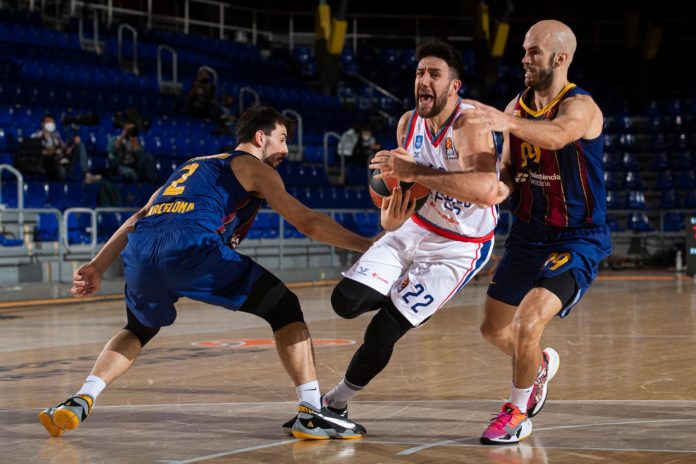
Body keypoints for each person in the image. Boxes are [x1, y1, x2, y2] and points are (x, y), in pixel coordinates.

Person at [39, 105, 374, 440]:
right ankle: (313, 412)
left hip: (142, 250)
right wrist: (367, 245)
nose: (286, 149)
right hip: (192, 246)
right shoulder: (253, 168)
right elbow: (308, 222)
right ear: (261, 137)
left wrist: (97, 265)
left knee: (138, 328)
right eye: (282, 138)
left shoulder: (192, 164)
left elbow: (139, 215)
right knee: (284, 308)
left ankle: (81, 398)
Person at [281, 40, 500, 433]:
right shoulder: (407, 123)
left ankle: (336, 403)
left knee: (383, 330)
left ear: (454, 87)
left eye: (435, 74)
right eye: (420, 73)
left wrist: (417, 173)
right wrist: (390, 215)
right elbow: (401, 185)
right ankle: (398, 289)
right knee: (345, 301)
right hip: (415, 228)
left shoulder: (470, 127)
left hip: (459, 247)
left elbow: (486, 190)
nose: (424, 81)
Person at [460, 20, 611, 444]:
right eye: (524, 50)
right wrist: (492, 189)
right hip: (528, 234)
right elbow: (510, 168)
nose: (523, 59)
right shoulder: (515, 107)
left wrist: (504, 123)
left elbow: (560, 136)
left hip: (577, 237)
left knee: (528, 323)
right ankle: (539, 367)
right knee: (493, 329)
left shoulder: (580, 106)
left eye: (533, 52)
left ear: (560, 59)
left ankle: (516, 412)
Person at [31, 115, 91, 182]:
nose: (51, 123)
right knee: (60, 170)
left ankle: (87, 174)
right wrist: (53, 151)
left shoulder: (56, 136)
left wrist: (71, 145)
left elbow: (64, 149)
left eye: (52, 122)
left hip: (61, 159)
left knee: (79, 145)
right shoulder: (36, 136)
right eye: (48, 121)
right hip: (48, 163)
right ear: (42, 124)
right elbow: (36, 152)